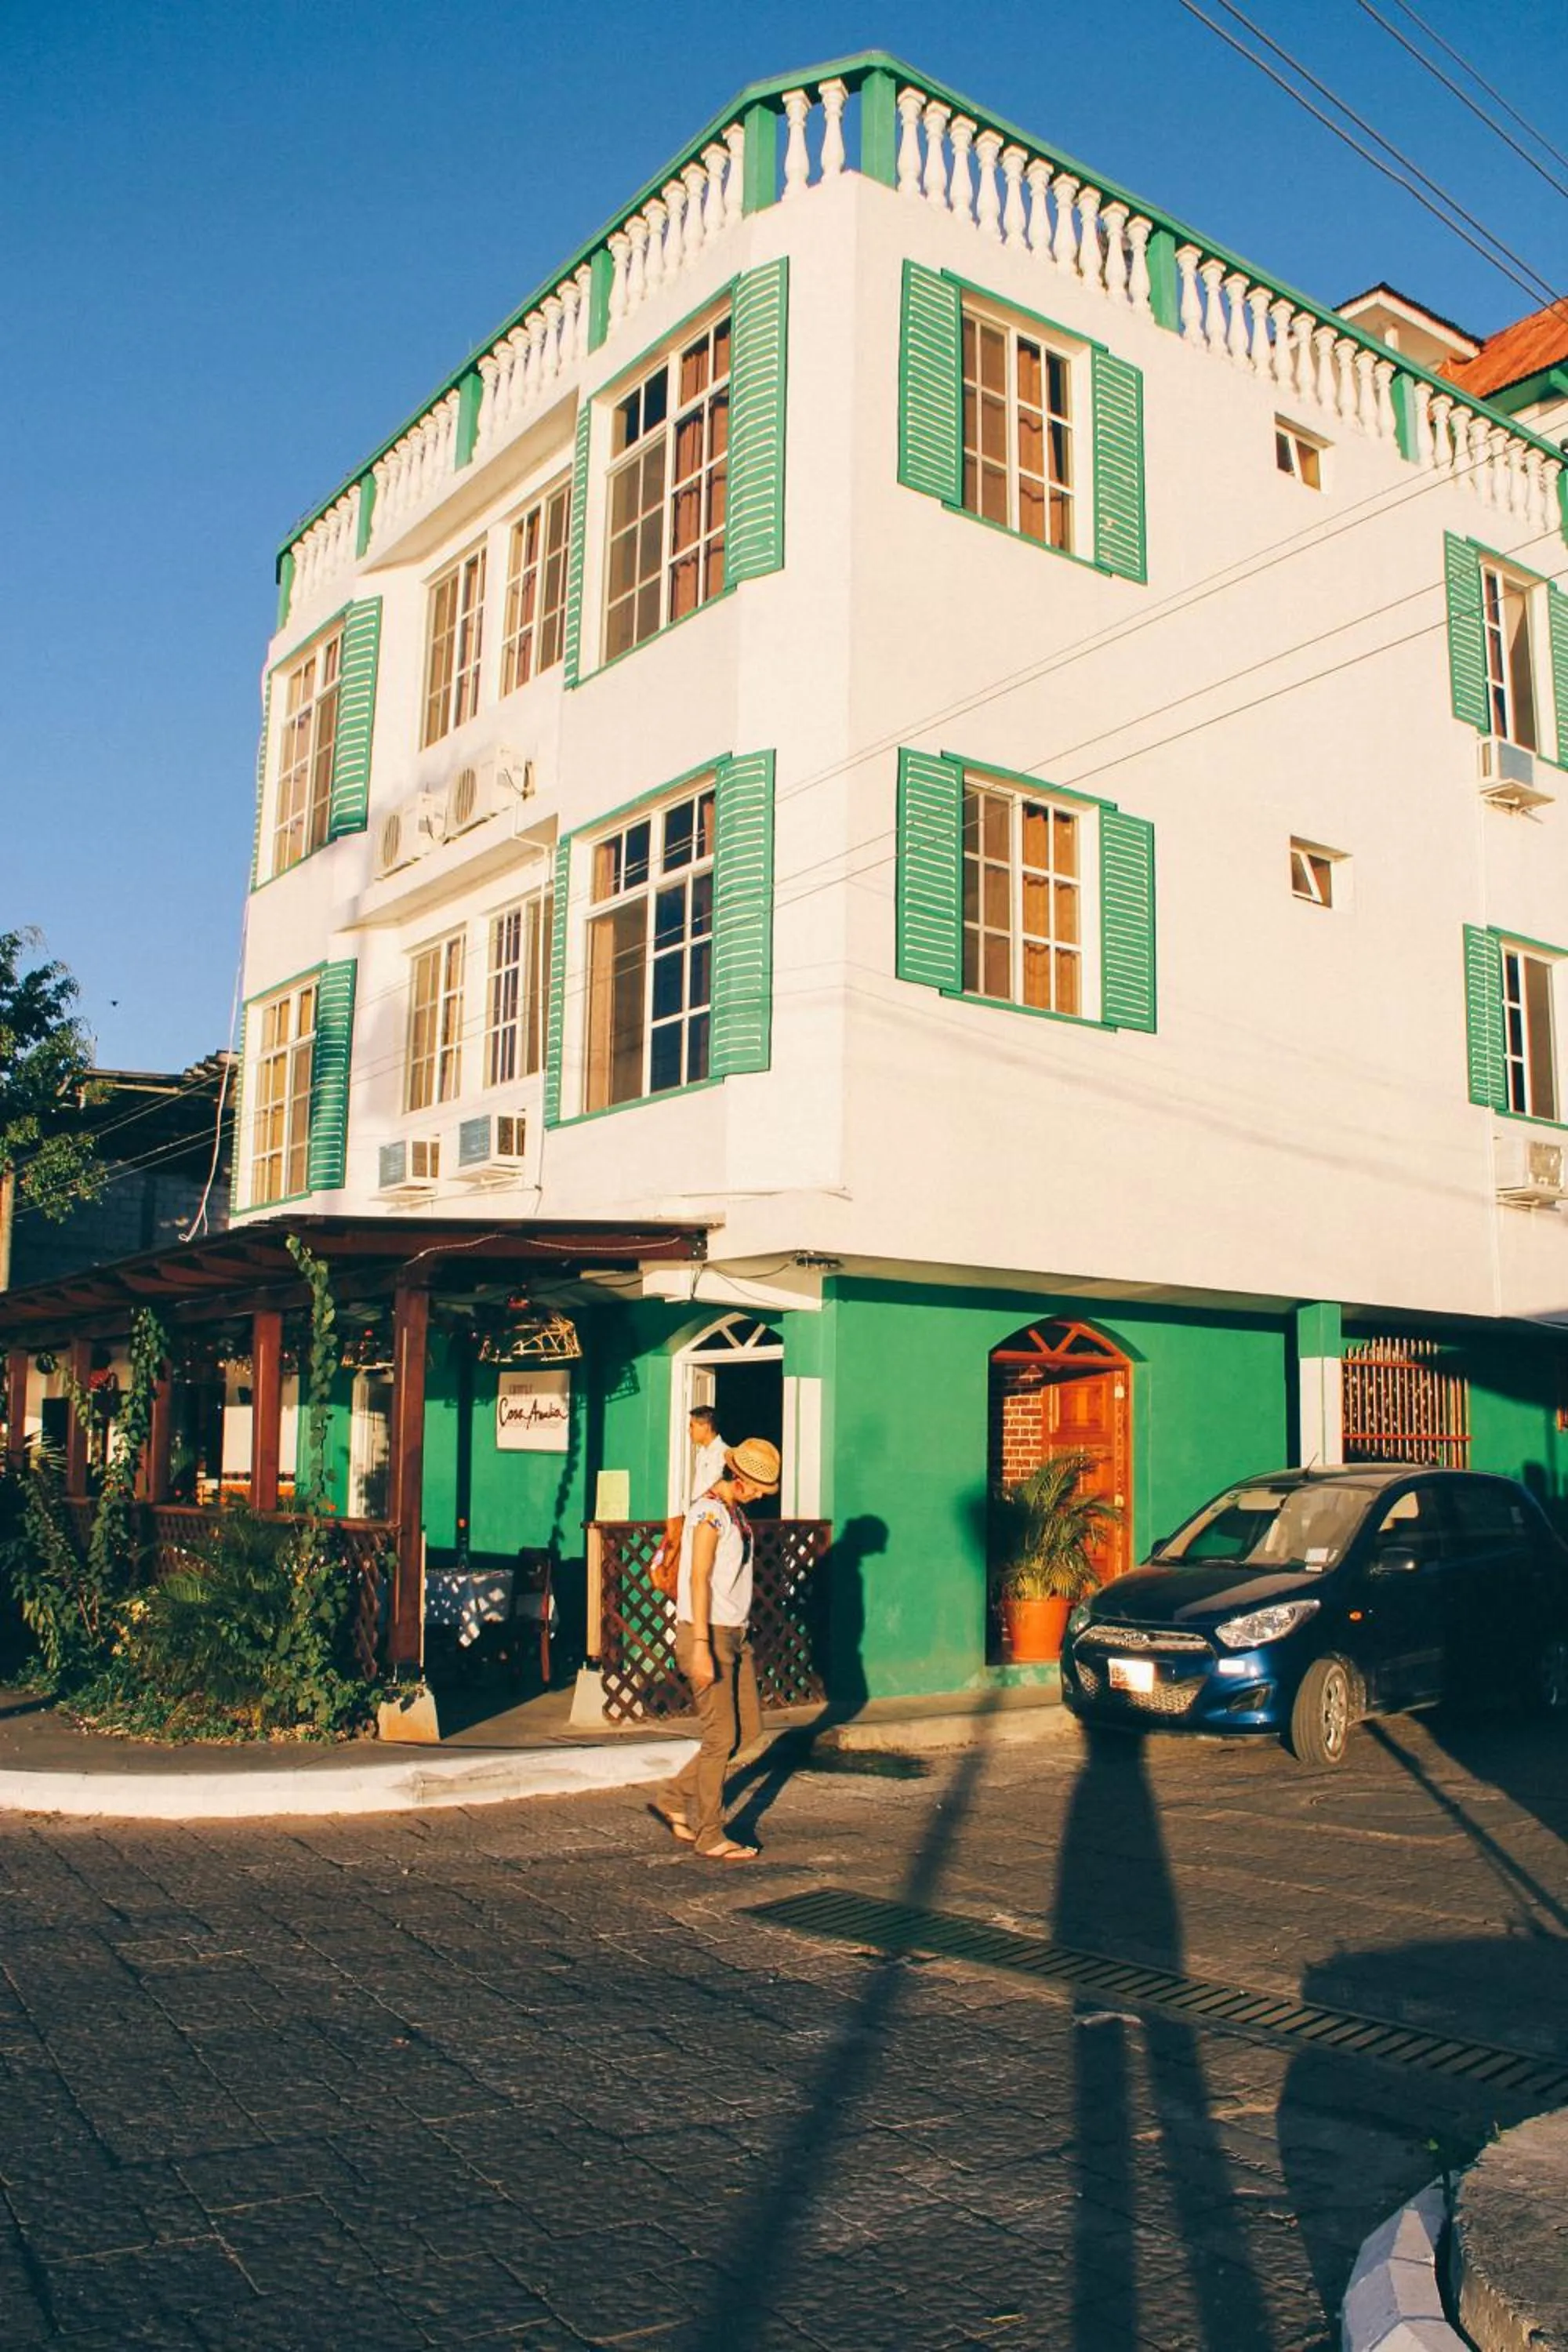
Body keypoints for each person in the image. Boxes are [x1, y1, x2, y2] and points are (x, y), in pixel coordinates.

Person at [650, 1436, 780, 1861]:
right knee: (720, 1737)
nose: (762, 1495)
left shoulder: (734, 1513)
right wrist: (702, 1644)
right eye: (759, 1488)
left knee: (749, 1733)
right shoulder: (709, 1513)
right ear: (738, 1479)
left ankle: (672, 1796)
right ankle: (710, 1832)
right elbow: (697, 1578)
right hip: (706, 1633)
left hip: (734, 1634)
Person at [688, 1405, 728, 1500]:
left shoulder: (724, 1453)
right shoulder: (701, 1453)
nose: (689, 1431)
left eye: (692, 1426)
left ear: (707, 1427)